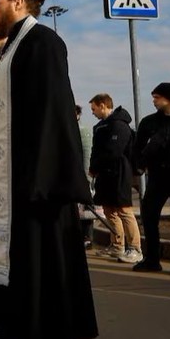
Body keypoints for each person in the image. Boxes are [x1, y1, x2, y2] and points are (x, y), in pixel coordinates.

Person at [0, 0, 98, 339]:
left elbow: (52, 112)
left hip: (39, 173)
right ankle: (17, 321)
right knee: (16, 249)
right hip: (13, 170)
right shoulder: (10, 51)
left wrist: (42, 171)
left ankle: (50, 333)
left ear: (17, 2)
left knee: (42, 252)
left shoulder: (43, 43)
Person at [133, 83, 170, 275]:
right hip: (157, 177)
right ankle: (152, 259)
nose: (154, 101)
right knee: (149, 218)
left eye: (157, 97)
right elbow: (137, 148)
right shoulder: (149, 123)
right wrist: (139, 165)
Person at [89, 93, 142, 263]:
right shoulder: (100, 127)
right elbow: (96, 150)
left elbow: (114, 151)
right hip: (104, 174)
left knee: (124, 210)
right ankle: (117, 245)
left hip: (119, 172)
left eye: (94, 108)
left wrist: (96, 166)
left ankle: (135, 248)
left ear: (103, 105)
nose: (93, 112)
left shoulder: (120, 125)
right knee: (109, 210)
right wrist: (94, 168)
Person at [75, 105, 96, 249]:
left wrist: (87, 178)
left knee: (86, 208)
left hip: (82, 177)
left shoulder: (83, 131)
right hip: (72, 177)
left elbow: (87, 154)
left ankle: (87, 237)